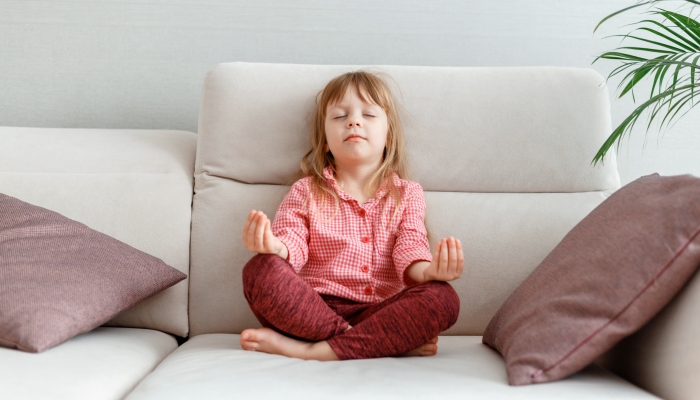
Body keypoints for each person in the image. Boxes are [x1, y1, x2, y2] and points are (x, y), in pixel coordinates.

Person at [239, 70, 463, 361]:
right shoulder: (305, 190)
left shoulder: (407, 194)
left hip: (380, 312)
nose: (354, 121)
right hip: (312, 310)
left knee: (443, 298)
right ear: (325, 141)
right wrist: (274, 247)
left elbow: (411, 246)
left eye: (369, 115)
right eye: (339, 116)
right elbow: (291, 238)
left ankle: (311, 351)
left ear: (388, 136)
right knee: (260, 269)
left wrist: (430, 273)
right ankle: (375, 344)